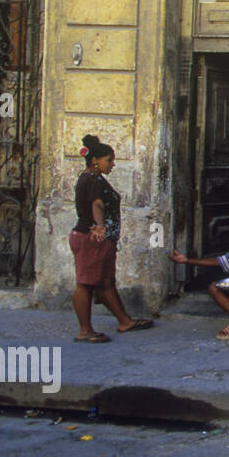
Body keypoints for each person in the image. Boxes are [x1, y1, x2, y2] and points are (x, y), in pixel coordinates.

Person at [69, 134, 153, 342]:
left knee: (105, 282)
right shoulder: (93, 180)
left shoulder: (92, 178)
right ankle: (85, 331)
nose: (112, 164)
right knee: (85, 284)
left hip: (98, 239)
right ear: (95, 160)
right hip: (90, 238)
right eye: (109, 160)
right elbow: (96, 204)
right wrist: (99, 227)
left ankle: (125, 321)